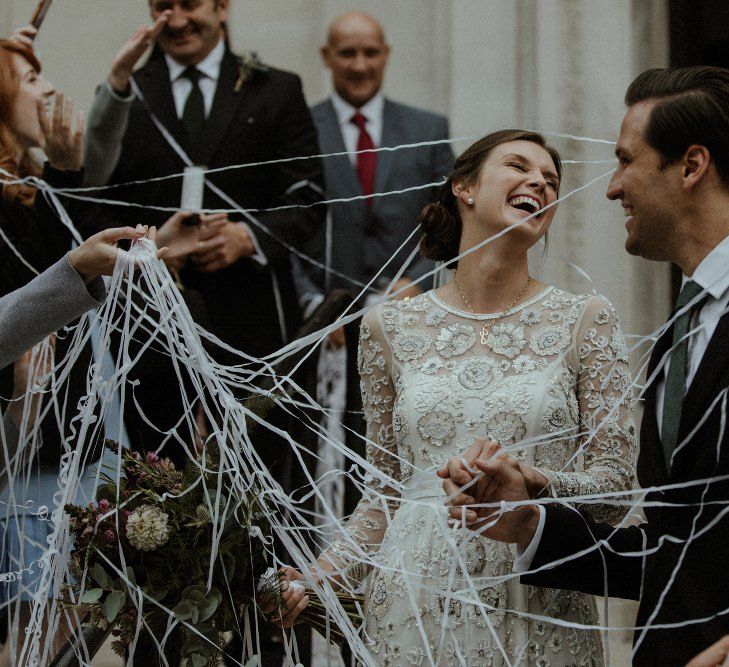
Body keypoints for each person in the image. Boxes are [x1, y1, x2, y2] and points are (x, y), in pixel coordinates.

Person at [275, 130, 636, 665]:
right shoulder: (388, 327)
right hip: (412, 602)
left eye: (551, 181)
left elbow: (616, 487)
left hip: (536, 597)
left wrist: (535, 484)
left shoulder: (587, 320)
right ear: (464, 188)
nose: (539, 181)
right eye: (518, 165)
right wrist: (317, 577)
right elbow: (383, 496)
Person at [440, 67, 729, 667]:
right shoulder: (679, 335)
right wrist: (527, 524)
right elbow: (673, 553)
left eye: (626, 161)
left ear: (691, 166)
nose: (611, 188)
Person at [81, 0, 325, 460]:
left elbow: (310, 196)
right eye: (162, 7)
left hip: (252, 320)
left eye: (189, 4)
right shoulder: (125, 92)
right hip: (149, 326)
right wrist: (152, 244)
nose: (175, 20)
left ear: (222, 8)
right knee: (156, 481)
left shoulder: (276, 89)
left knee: (259, 478)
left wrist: (249, 238)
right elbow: (95, 205)